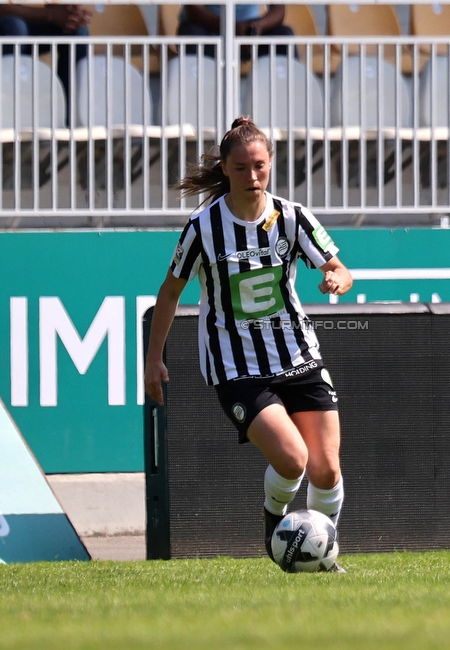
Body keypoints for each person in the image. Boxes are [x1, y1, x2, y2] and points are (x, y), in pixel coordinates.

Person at [144, 117, 352, 571]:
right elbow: (170, 292)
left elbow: (339, 268)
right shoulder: (202, 227)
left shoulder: (293, 216)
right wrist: (153, 359)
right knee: (293, 459)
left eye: (259, 166)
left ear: (271, 164)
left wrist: (336, 277)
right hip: (236, 366)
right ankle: (274, 525)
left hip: (298, 353)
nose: (252, 176)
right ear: (224, 168)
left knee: (326, 469)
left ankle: (320, 555)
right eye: (240, 168)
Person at [177, 4, 295, 60]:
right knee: (191, 35)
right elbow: (193, 9)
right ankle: (195, 102)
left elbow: (279, 9)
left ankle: (286, 102)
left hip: (250, 28)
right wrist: (231, 27)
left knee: (283, 35)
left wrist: (258, 27)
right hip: (210, 26)